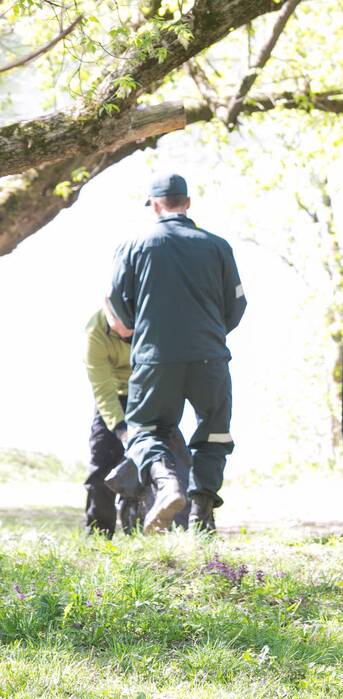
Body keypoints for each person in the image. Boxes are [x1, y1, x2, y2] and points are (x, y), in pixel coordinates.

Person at [109, 172, 246, 533]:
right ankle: (202, 514)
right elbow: (237, 306)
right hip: (210, 356)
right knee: (214, 432)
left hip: (155, 358)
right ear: (187, 202)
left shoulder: (134, 245)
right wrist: (210, 335)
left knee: (143, 428)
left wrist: (149, 335)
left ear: (155, 205)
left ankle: (167, 484)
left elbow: (119, 310)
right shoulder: (218, 246)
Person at [81, 301, 134, 537]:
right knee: (102, 460)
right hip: (112, 396)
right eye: (118, 331)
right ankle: (99, 534)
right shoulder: (95, 332)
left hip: (145, 394)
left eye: (130, 332)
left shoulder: (151, 320)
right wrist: (120, 428)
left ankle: (144, 530)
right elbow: (102, 389)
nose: (124, 335)